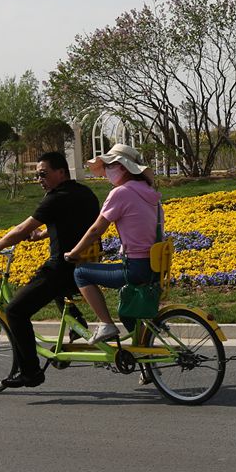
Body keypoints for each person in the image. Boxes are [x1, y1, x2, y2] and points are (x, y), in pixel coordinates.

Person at [0, 151, 100, 388]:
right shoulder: (85, 193)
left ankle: (31, 372)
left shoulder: (55, 198)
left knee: (15, 311)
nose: (39, 179)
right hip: (87, 267)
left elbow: (23, 228)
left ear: (61, 172)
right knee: (52, 286)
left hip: (63, 268)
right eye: (37, 175)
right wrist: (44, 234)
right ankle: (77, 326)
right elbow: (74, 223)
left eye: (43, 174)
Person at [64, 143, 163, 344]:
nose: (107, 170)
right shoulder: (149, 191)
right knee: (127, 314)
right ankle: (147, 367)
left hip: (136, 268)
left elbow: (96, 230)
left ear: (124, 168)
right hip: (154, 267)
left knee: (80, 273)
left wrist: (74, 253)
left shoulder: (121, 192)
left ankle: (106, 324)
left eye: (110, 165)